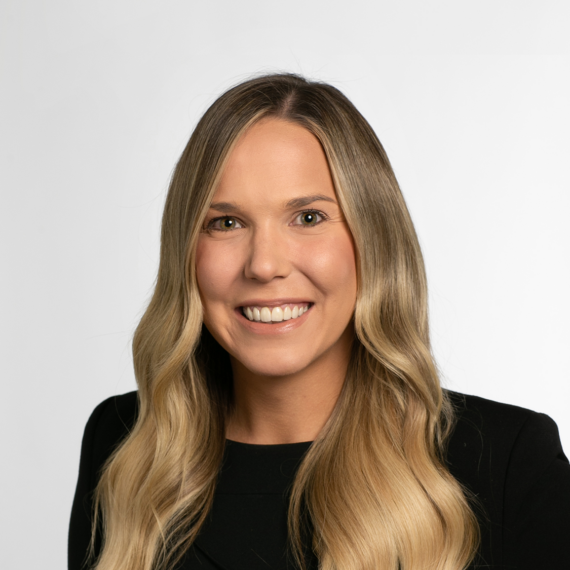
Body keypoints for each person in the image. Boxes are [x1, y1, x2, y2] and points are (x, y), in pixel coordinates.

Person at [68, 73, 570, 570]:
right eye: (226, 222)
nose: (264, 265)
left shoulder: (507, 464)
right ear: (185, 252)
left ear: (373, 240)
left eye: (307, 217)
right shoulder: (125, 448)